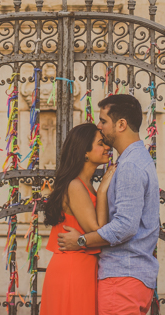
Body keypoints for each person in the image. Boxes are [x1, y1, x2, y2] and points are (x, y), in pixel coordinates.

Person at [57, 94, 160, 315]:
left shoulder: (130, 165)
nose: (99, 126)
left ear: (121, 124)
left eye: (103, 120)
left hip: (123, 277)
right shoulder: (134, 160)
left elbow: (125, 226)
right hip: (128, 277)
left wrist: (82, 240)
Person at [41, 123, 116, 315]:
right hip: (73, 269)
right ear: (85, 152)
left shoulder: (83, 184)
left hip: (81, 266)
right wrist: (103, 192)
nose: (108, 147)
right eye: (101, 143)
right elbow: (98, 229)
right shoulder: (75, 185)